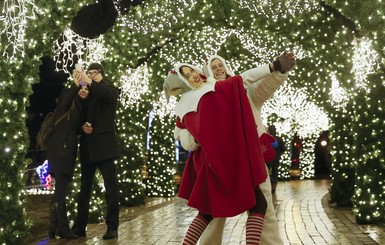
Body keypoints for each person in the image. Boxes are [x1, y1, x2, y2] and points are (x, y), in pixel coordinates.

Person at [163, 58, 291, 244]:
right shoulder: (212, 91)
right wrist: (193, 139)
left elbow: (254, 82)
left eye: (220, 65)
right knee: (219, 213)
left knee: (215, 212)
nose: (218, 69)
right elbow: (181, 131)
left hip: (242, 158)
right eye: (213, 67)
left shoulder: (233, 91)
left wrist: (278, 70)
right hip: (227, 161)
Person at [71, 63, 120, 240]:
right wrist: (82, 127)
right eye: (89, 73)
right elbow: (76, 116)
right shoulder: (86, 93)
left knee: (111, 188)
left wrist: (90, 83)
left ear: (101, 75)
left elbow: (109, 96)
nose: (91, 75)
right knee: (84, 189)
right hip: (87, 147)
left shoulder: (110, 89)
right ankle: (79, 227)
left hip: (105, 147)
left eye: (95, 73)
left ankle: (112, 227)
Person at [47, 81, 90, 239]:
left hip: (66, 150)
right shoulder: (67, 103)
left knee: (60, 189)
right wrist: (77, 84)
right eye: (82, 88)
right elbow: (66, 98)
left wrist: (81, 129)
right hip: (61, 151)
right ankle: (62, 228)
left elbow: (72, 127)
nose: (84, 90)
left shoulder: (78, 107)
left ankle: (53, 228)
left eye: (86, 88)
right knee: (61, 189)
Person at [267, 124, 286, 193]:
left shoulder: (266, 138)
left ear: (269, 131)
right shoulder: (279, 139)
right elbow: (283, 149)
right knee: (275, 172)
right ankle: (274, 186)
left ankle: (270, 185)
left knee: (269, 172)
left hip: (268, 160)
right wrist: (279, 154)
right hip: (276, 159)